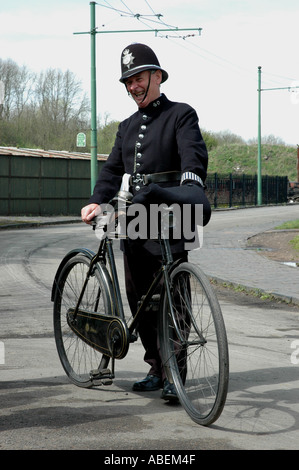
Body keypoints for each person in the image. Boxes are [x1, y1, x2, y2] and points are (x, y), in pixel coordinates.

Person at [81, 43, 211, 402]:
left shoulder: (181, 115)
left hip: (172, 213)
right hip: (136, 215)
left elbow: (193, 157)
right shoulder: (126, 126)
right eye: (128, 82)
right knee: (140, 295)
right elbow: (111, 170)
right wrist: (96, 200)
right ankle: (155, 366)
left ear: (157, 76)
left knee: (174, 295)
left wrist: (189, 186)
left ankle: (175, 373)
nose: (133, 87)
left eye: (138, 78)